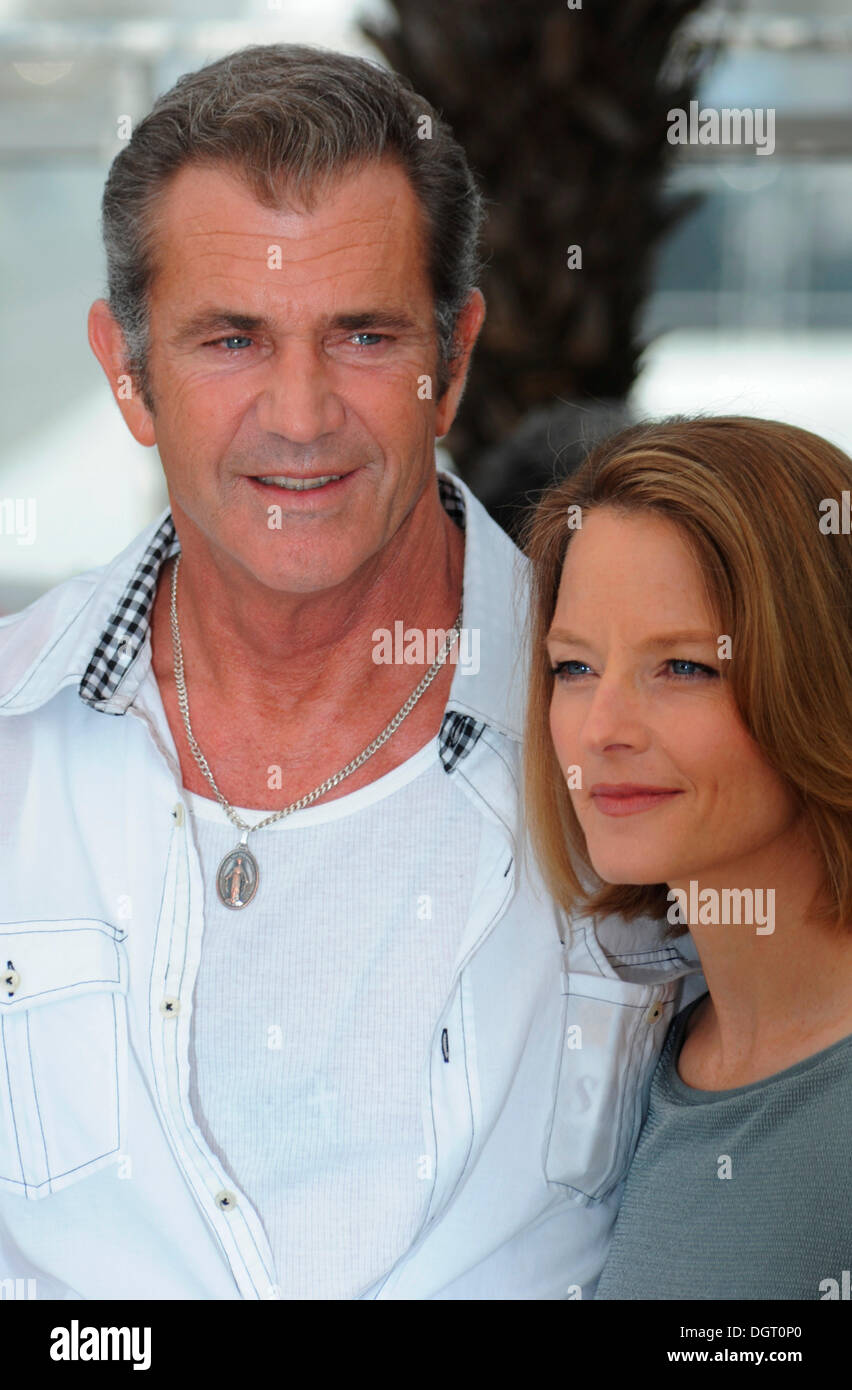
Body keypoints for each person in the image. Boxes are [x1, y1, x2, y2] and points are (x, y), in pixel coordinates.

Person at [0, 44, 701, 1302]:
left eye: (364, 335)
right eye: (231, 340)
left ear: (457, 358)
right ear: (128, 369)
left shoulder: (660, 736)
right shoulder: (11, 737)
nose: (303, 413)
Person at [522, 414, 852, 1300]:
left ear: (822, 677)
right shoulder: (643, 1048)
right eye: (575, 668)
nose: (603, 731)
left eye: (685, 668)